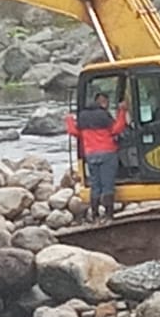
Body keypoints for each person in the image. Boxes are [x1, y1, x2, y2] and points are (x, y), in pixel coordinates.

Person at [65, 92, 128, 223]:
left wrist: (69, 119)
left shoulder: (83, 116)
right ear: (103, 102)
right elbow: (117, 129)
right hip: (107, 154)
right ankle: (109, 216)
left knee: (95, 185)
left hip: (91, 155)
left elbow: (74, 132)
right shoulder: (104, 115)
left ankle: (95, 216)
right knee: (107, 185)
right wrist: (122, 112)